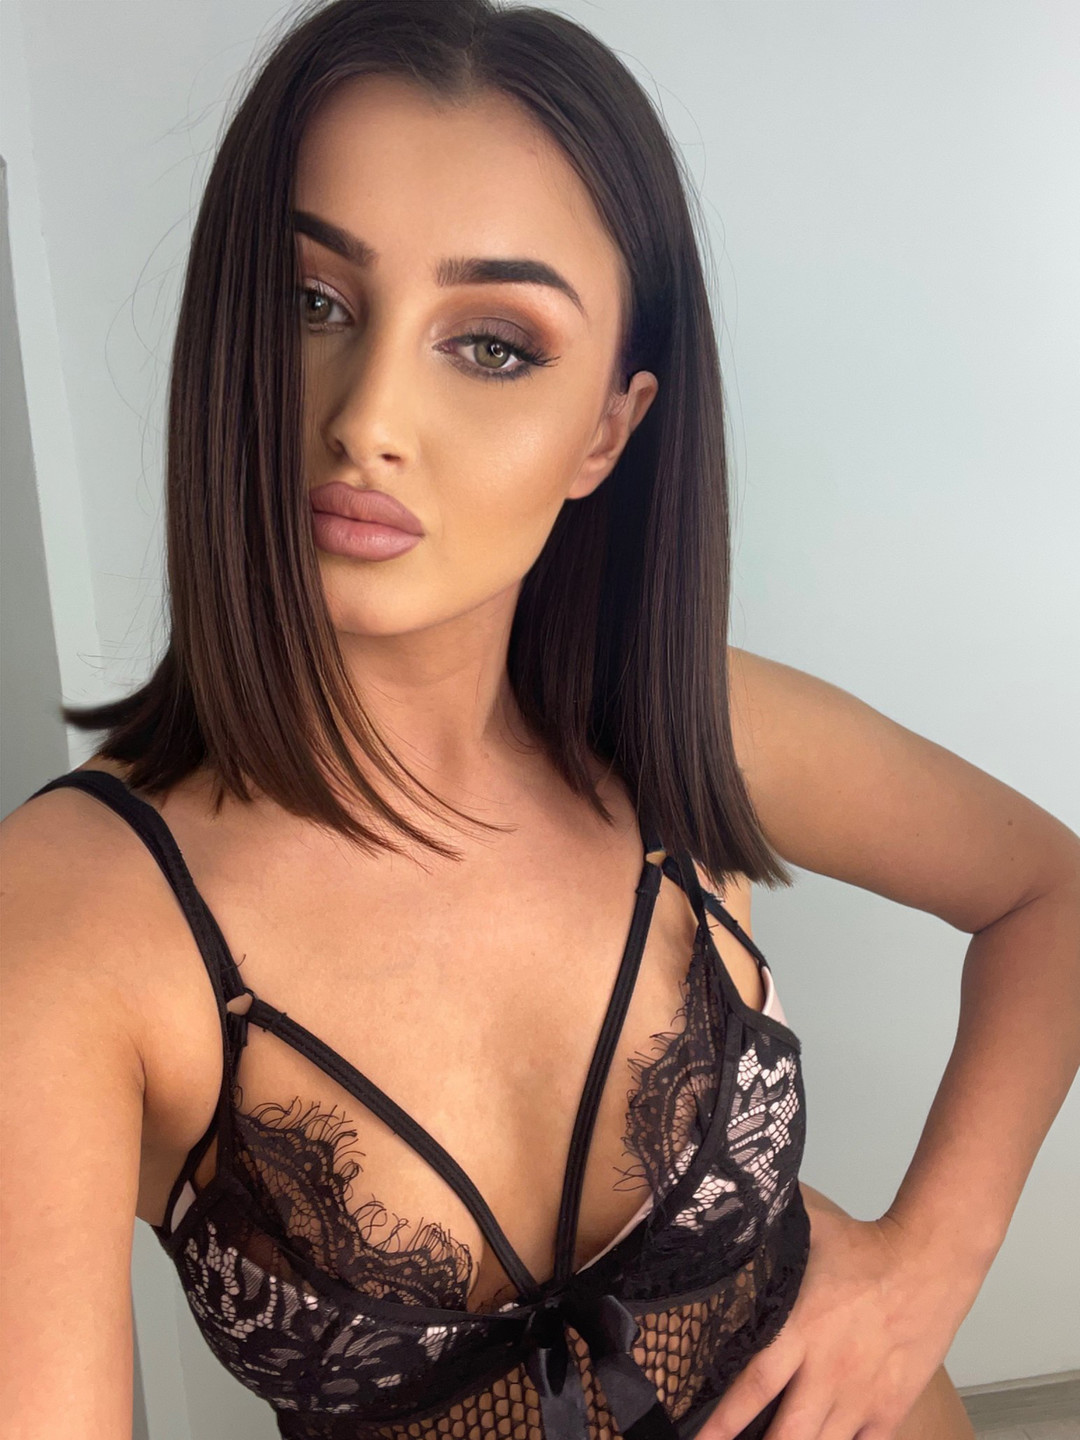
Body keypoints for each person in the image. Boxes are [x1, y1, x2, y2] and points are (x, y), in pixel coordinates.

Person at [2, 2, 1077, 1438]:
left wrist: (926, 1266)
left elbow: (1052, 891)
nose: (368, 417)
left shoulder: (679, 729)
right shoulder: (76, 922)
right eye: (312, 303)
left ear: (607, 431)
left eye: (495, 345)